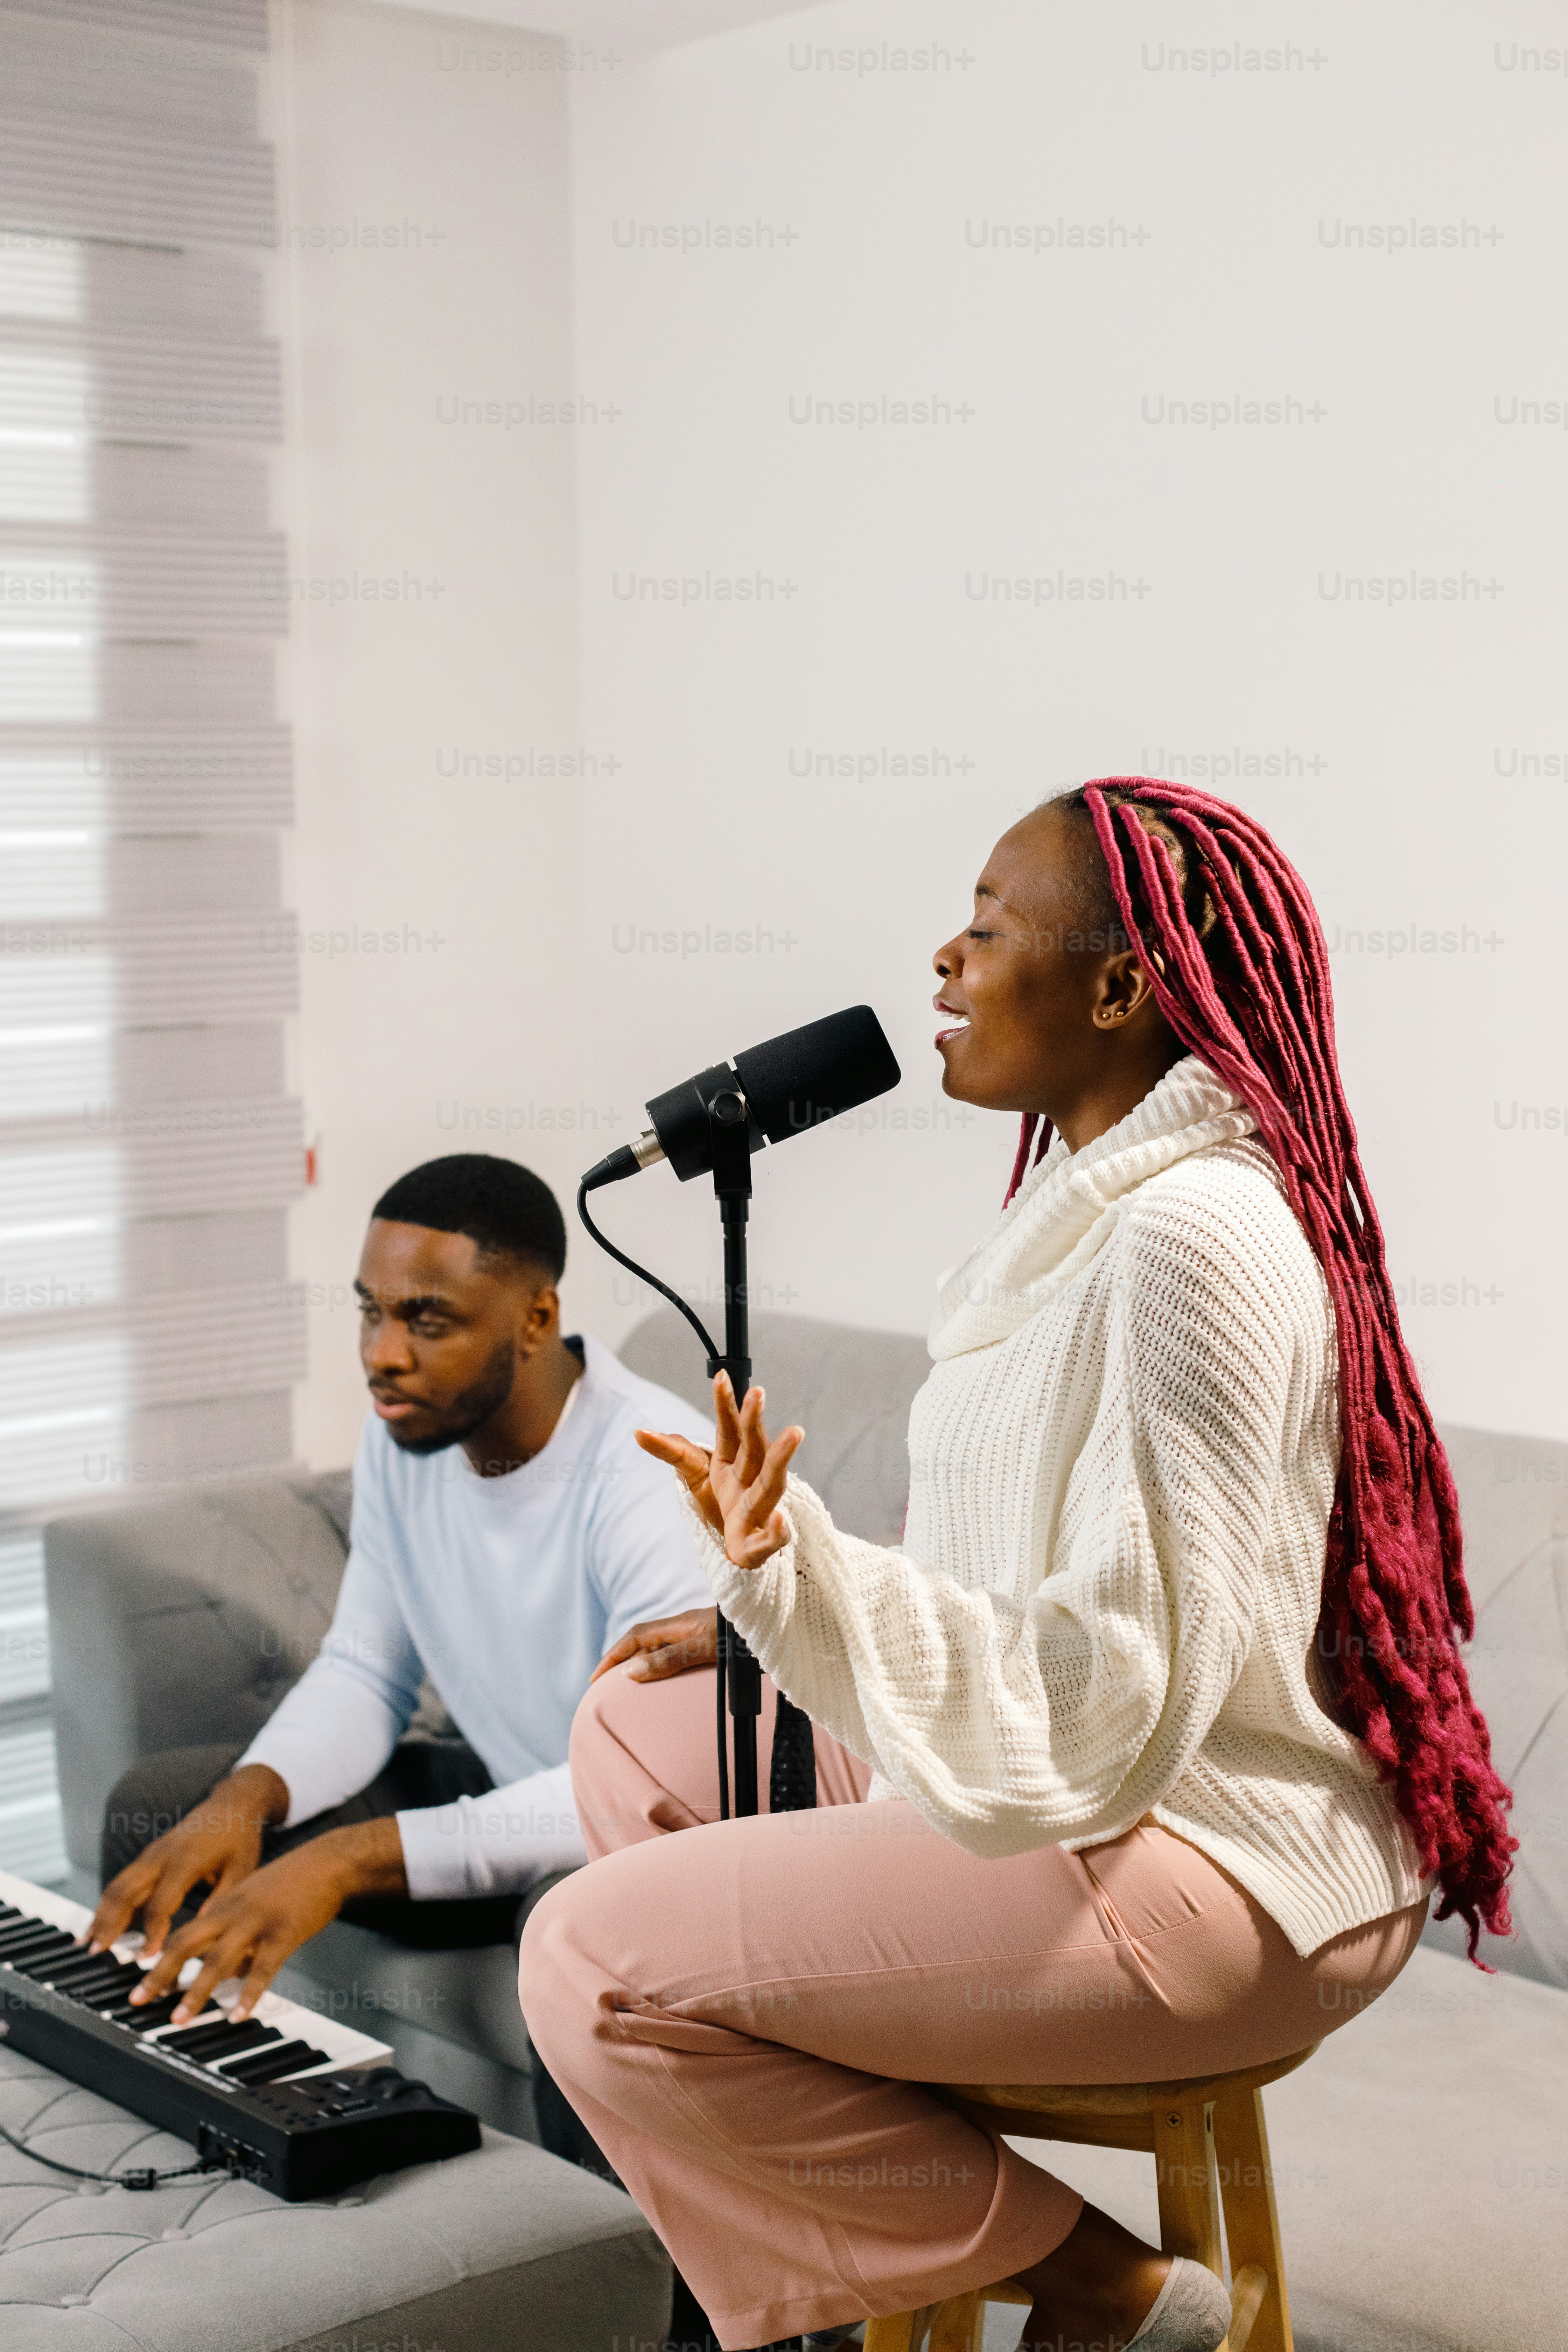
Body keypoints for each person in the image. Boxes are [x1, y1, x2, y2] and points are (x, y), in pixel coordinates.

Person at [518, 781, 1516, 2352]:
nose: (941, 960)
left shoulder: (1187, 1238)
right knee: (628, 1737)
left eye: (987, 928)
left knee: (586, 1955)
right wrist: (778, 1605)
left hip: (1211, 1866)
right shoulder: (1087, 1209)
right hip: (1115, 1791)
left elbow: (1118, 1688)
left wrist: (813, 1581)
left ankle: (1099, 2293)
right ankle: (884, 2211)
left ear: (1121, 987)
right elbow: (1064, 1557)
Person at [89, 1153, 714, 2040]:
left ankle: (587, 2189)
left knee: (575, 1919)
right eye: (371, 1311)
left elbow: (642, 1788)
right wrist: (248, 1797)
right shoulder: (408, 1435)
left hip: (647, 1836)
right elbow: (366, 1669)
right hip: (504, 1788)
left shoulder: (653, 1471)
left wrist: (348, 1859)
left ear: (536, 1318)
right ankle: (206, 2103)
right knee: (173, 1804)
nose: (383, 1355)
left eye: (428, 1320)